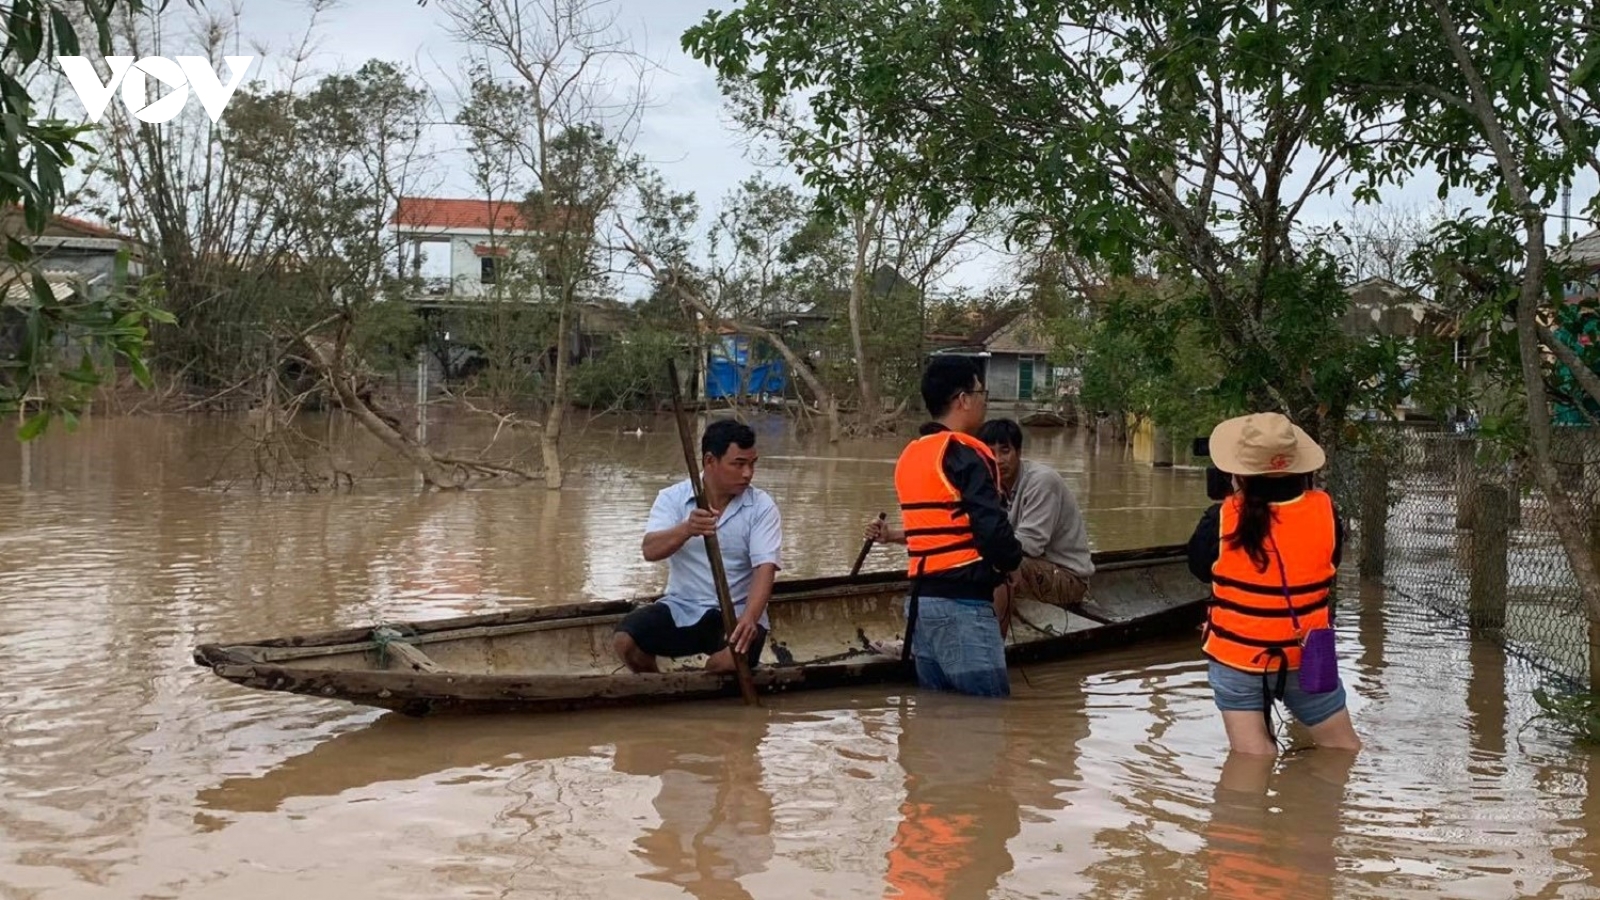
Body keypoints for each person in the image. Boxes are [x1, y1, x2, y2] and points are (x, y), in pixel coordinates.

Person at [1185, 412, 1361, 755]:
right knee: (1343, 748)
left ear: (1237, 472)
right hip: (1307, 653)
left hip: (1236, 656)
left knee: (1253, 759)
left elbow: (1200, 569)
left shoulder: (1220, 518)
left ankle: (1249, 809)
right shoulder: (1326, 511)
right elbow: (1330, 564)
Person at [869, 355, 1024, 697]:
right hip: (963, 607)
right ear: (963, 399)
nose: (985, 400)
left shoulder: (911, 455)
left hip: (921, 607)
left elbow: (932, 525)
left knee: (937, 721)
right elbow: (992, 529)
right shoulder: (967, 453)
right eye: (981, 391)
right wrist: (1013, 564)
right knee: (985, 722)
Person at [614, 420, 781, 674]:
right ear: (710, 461)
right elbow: (650, 550)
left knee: (724, 664)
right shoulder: (672, 498)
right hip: (683, 608)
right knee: (625, 642)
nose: (748, 473)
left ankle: (706, 686)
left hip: (735, 614)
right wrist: (686, 529)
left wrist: (750, 618)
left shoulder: (761, 506)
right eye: (738, 464)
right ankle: (659, 687)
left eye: (752, 464)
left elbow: (765, 568)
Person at [976, 418, 1094, 630]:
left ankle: (990, 636)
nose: (998, 460)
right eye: (990, 453)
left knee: (997, 566)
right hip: (1033, 567)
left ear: (1019, 452)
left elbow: (1029, 545)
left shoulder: (1041, 481)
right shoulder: (989, 485)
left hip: (1067, 579)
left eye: (1005, 451)